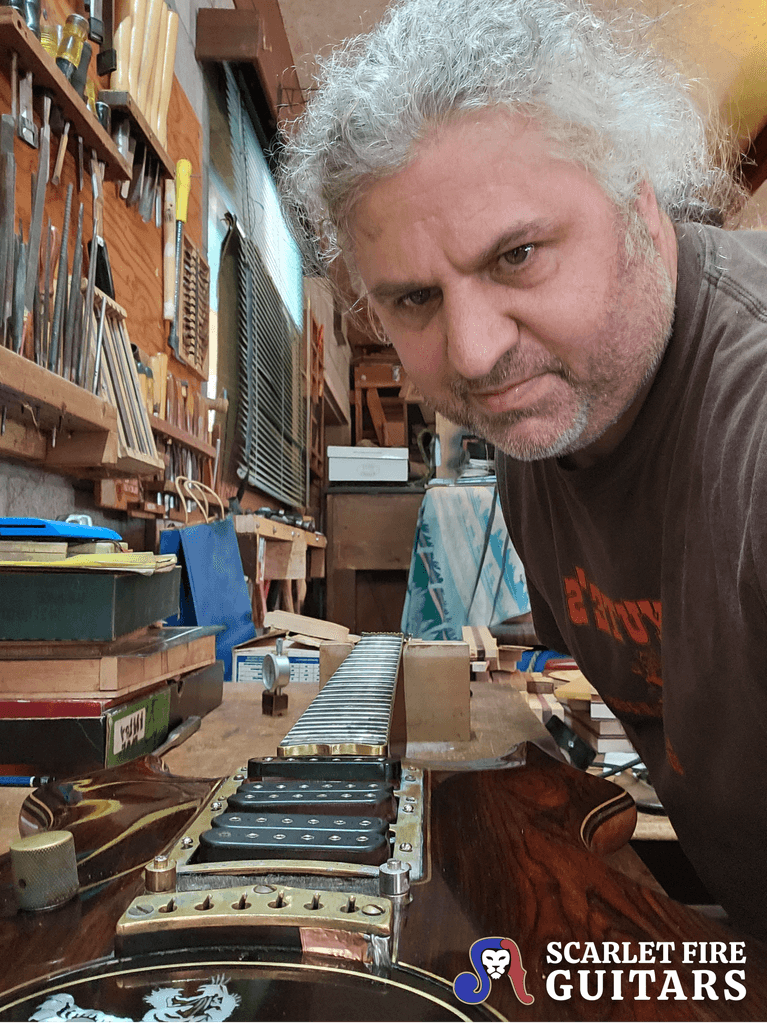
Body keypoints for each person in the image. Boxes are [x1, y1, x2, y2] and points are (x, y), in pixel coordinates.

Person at [277, 0, 767, 939]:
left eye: (518, 255)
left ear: (638, 203)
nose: (469, 352)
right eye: (415, 297)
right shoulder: (539, 437)